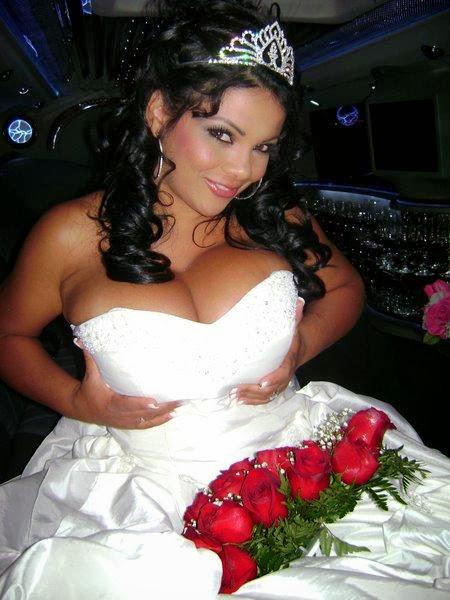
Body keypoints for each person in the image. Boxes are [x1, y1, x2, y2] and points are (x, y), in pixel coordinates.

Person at [0, 2, 449, 598]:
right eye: (222, 134)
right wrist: (78, 401)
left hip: (298, 459)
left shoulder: (275, 216)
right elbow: (9, 337)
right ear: (159, 111)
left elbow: (346, 288)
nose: (244, 171)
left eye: (264, 147)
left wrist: (300, 346)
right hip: (137, 492)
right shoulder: (69, 234)